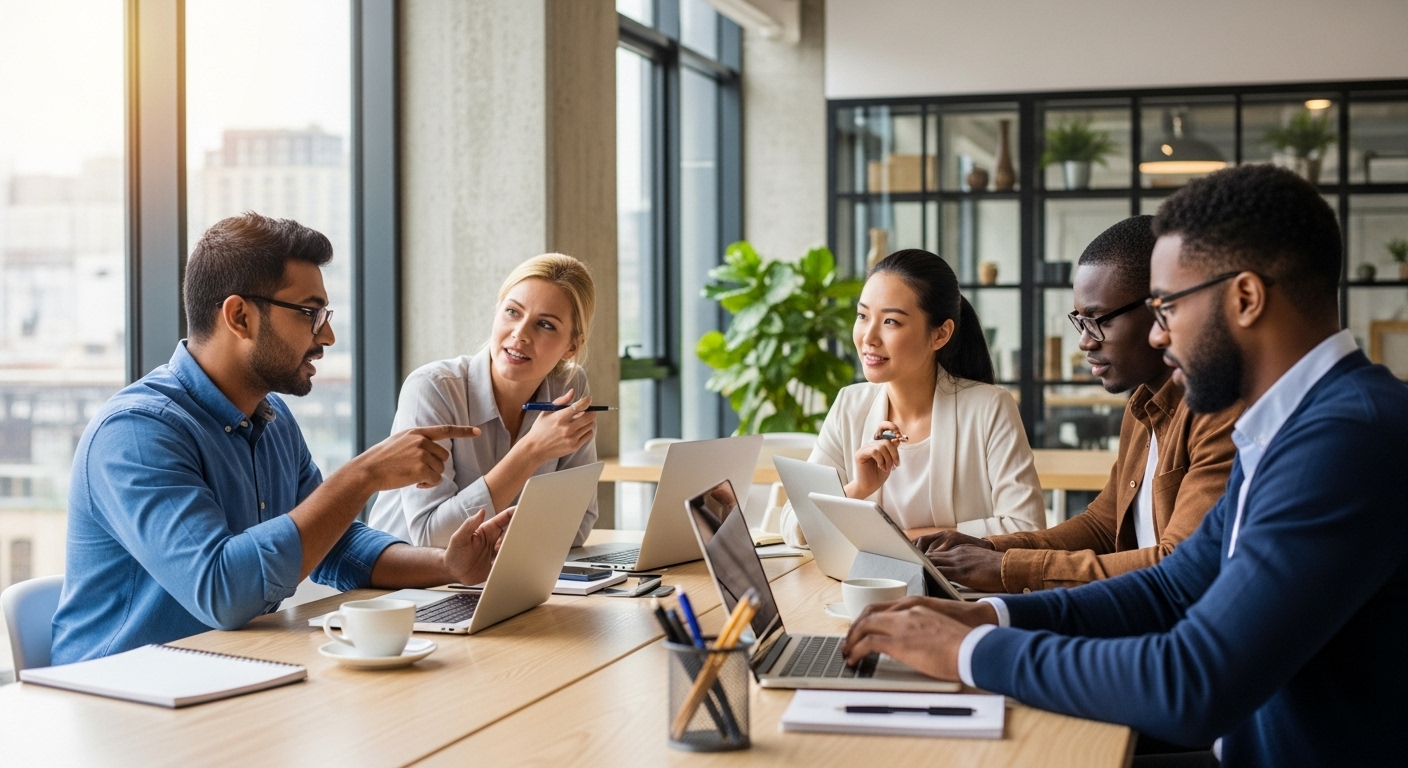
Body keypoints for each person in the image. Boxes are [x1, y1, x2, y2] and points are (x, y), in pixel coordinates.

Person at [841, 165, 1408, 767]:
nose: (1160, 338)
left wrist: (969, 649)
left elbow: (1194, 681)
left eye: (1166, 308)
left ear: (1245, 297)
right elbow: (1172, 587)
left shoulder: (1347, 439)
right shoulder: (1284, 427)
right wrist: (985, 613)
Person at [51, 213, 512, 664]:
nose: (327, 335)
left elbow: (336, 544)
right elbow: (222, 591)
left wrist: (447, 567)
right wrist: (362, 476)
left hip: (231, 673)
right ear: (240, 316)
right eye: (310, 314)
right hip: (119, 701)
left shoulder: (272, 419)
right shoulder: (137, 432)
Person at [918, 216, 1239, 594]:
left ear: (1160, 309)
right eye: (1080, 321)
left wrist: (1005, 567)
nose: (1085, 342)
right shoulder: (1143, 406)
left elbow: (1175, 563)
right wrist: (988, 548)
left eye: (1098, 320)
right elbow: (1102, 526)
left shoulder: (1218, 412)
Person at [778, 249, 1045, 547]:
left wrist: (899, 542)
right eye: (863, 316)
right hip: (864, 589)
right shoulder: (850, 405)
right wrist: (858, 487)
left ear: (940, 334)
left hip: (959, 592)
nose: (868, 337)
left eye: (891, 321)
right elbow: (793, 524)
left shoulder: (990, 408)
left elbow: (1027, 528)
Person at [369, 254, 599, 547]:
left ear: (572, 346)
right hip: (403, 584)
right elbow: (430, 537)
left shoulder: (569, 386)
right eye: (513, 312)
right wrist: (530, 452)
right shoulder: (433, 388)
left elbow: (577, 524)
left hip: (491, 574)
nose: (520, 334)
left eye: (545, 325)